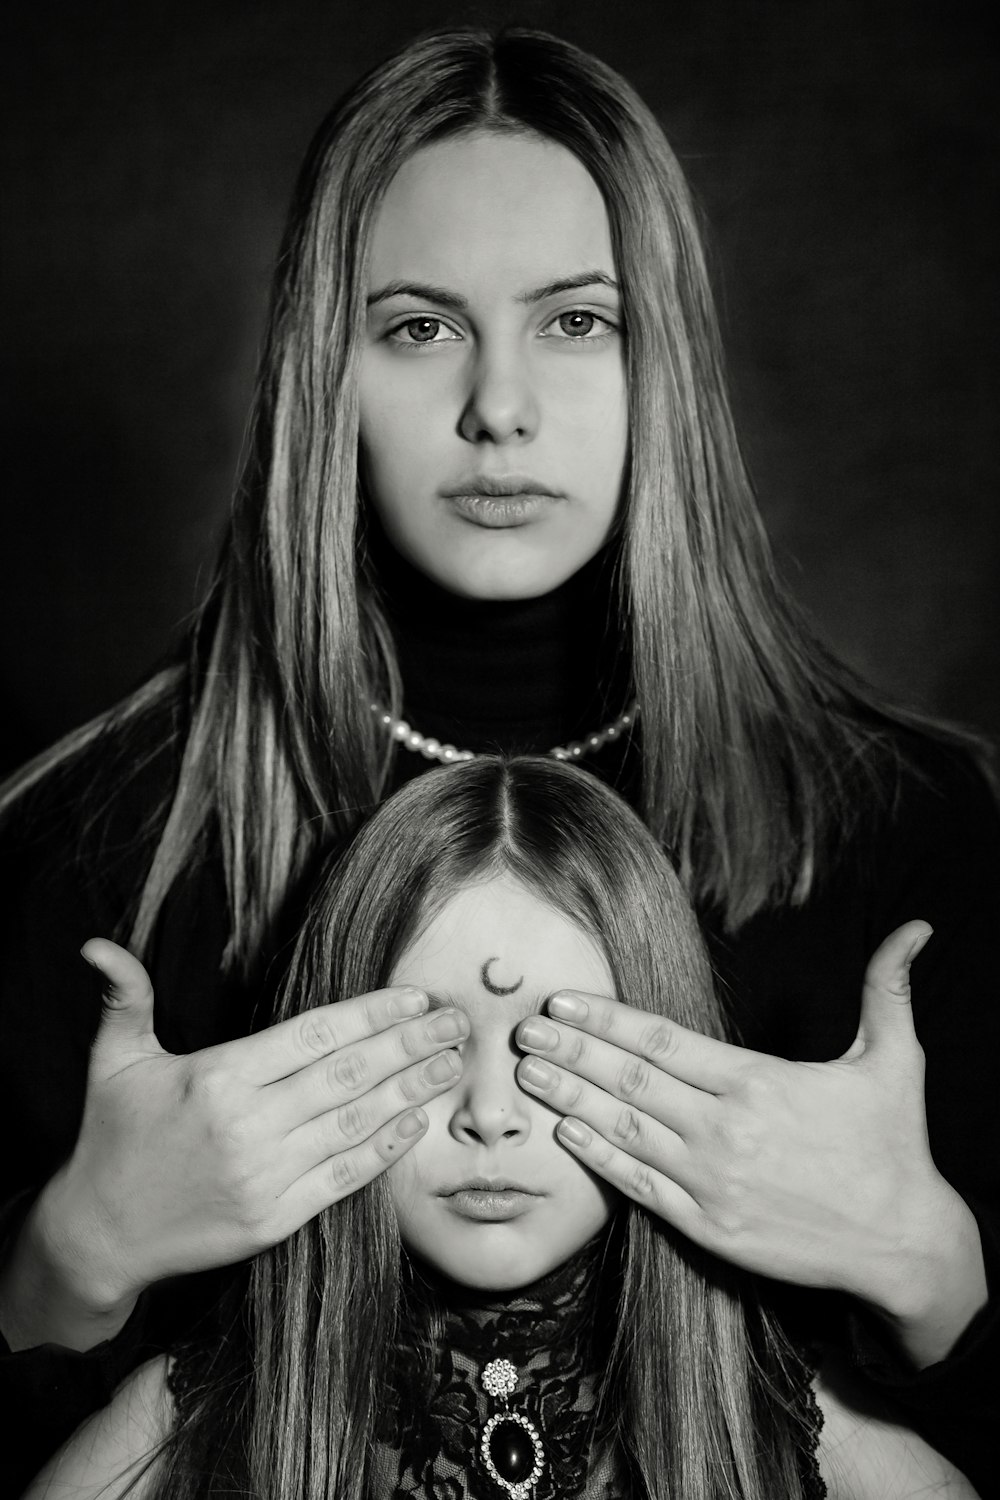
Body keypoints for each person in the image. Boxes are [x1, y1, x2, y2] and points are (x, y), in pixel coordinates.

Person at [1, 22, 997, 1495]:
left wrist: (932, 1271)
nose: (502, 409)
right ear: (318, 369)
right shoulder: (95, 844)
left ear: (666, 355)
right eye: (420, 325)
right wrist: (64, 1262)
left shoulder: (910, 832)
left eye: (577, 321)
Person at [23, 757, 979, 1499]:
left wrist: (931, 1265)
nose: (488, 1115)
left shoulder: (792, 1422)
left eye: (557, 1051)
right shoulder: (186, 1415)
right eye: (425, 1047)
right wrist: (78, 1246)